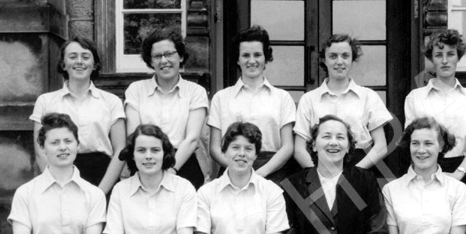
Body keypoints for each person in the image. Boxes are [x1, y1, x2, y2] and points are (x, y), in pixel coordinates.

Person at [30, 37, 126, 194]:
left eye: (86, 57)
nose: (79, 61)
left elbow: (120, 149)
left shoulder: (111, 101)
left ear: (94, 64)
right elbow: (41, 150)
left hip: (102, 175)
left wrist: (101, 192)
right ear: (63, 64)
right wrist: (57, 186)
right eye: (73, 56)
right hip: (60, 174)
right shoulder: (46, 101)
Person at [208, 26, 296, 183]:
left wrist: (261, 173)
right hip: (232, 171)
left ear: (265, 58)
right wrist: (239, 170)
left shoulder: (282, 98)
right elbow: (215, 148)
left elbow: (287, 146)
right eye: (245, 55)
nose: (252, 61)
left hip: (272, 172)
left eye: (257, 55)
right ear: (237, 59)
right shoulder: (221, 98)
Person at [293, 34, 393, 171]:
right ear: (324, 60)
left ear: (352, 60)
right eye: (333, 56)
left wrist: (355, 174)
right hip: (319, 168)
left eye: (345, 56)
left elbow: (381, 146)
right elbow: (299, 149)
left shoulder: (368, 97)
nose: (339, 61)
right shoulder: (309, 99)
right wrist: (318, 176)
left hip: (359, 168)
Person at [124, 28, 209, 188]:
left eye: (169, 54)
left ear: (181, 56)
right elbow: (133, 134)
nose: (164, 61)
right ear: (150, 61)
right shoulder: (136, 90)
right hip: (145, 164)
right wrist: (151, 171)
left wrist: (170, 172)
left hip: (183, 165)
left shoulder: (196, 92)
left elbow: (192, 138)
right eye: (157, 56)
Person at [404, 29, 466, 187]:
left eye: (450, 54)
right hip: (426, 170)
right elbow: (412, 141)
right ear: (431, 59)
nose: (445, 61)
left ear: (458, 57)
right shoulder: (415, 98)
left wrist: (459, 173)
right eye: (439, 55)